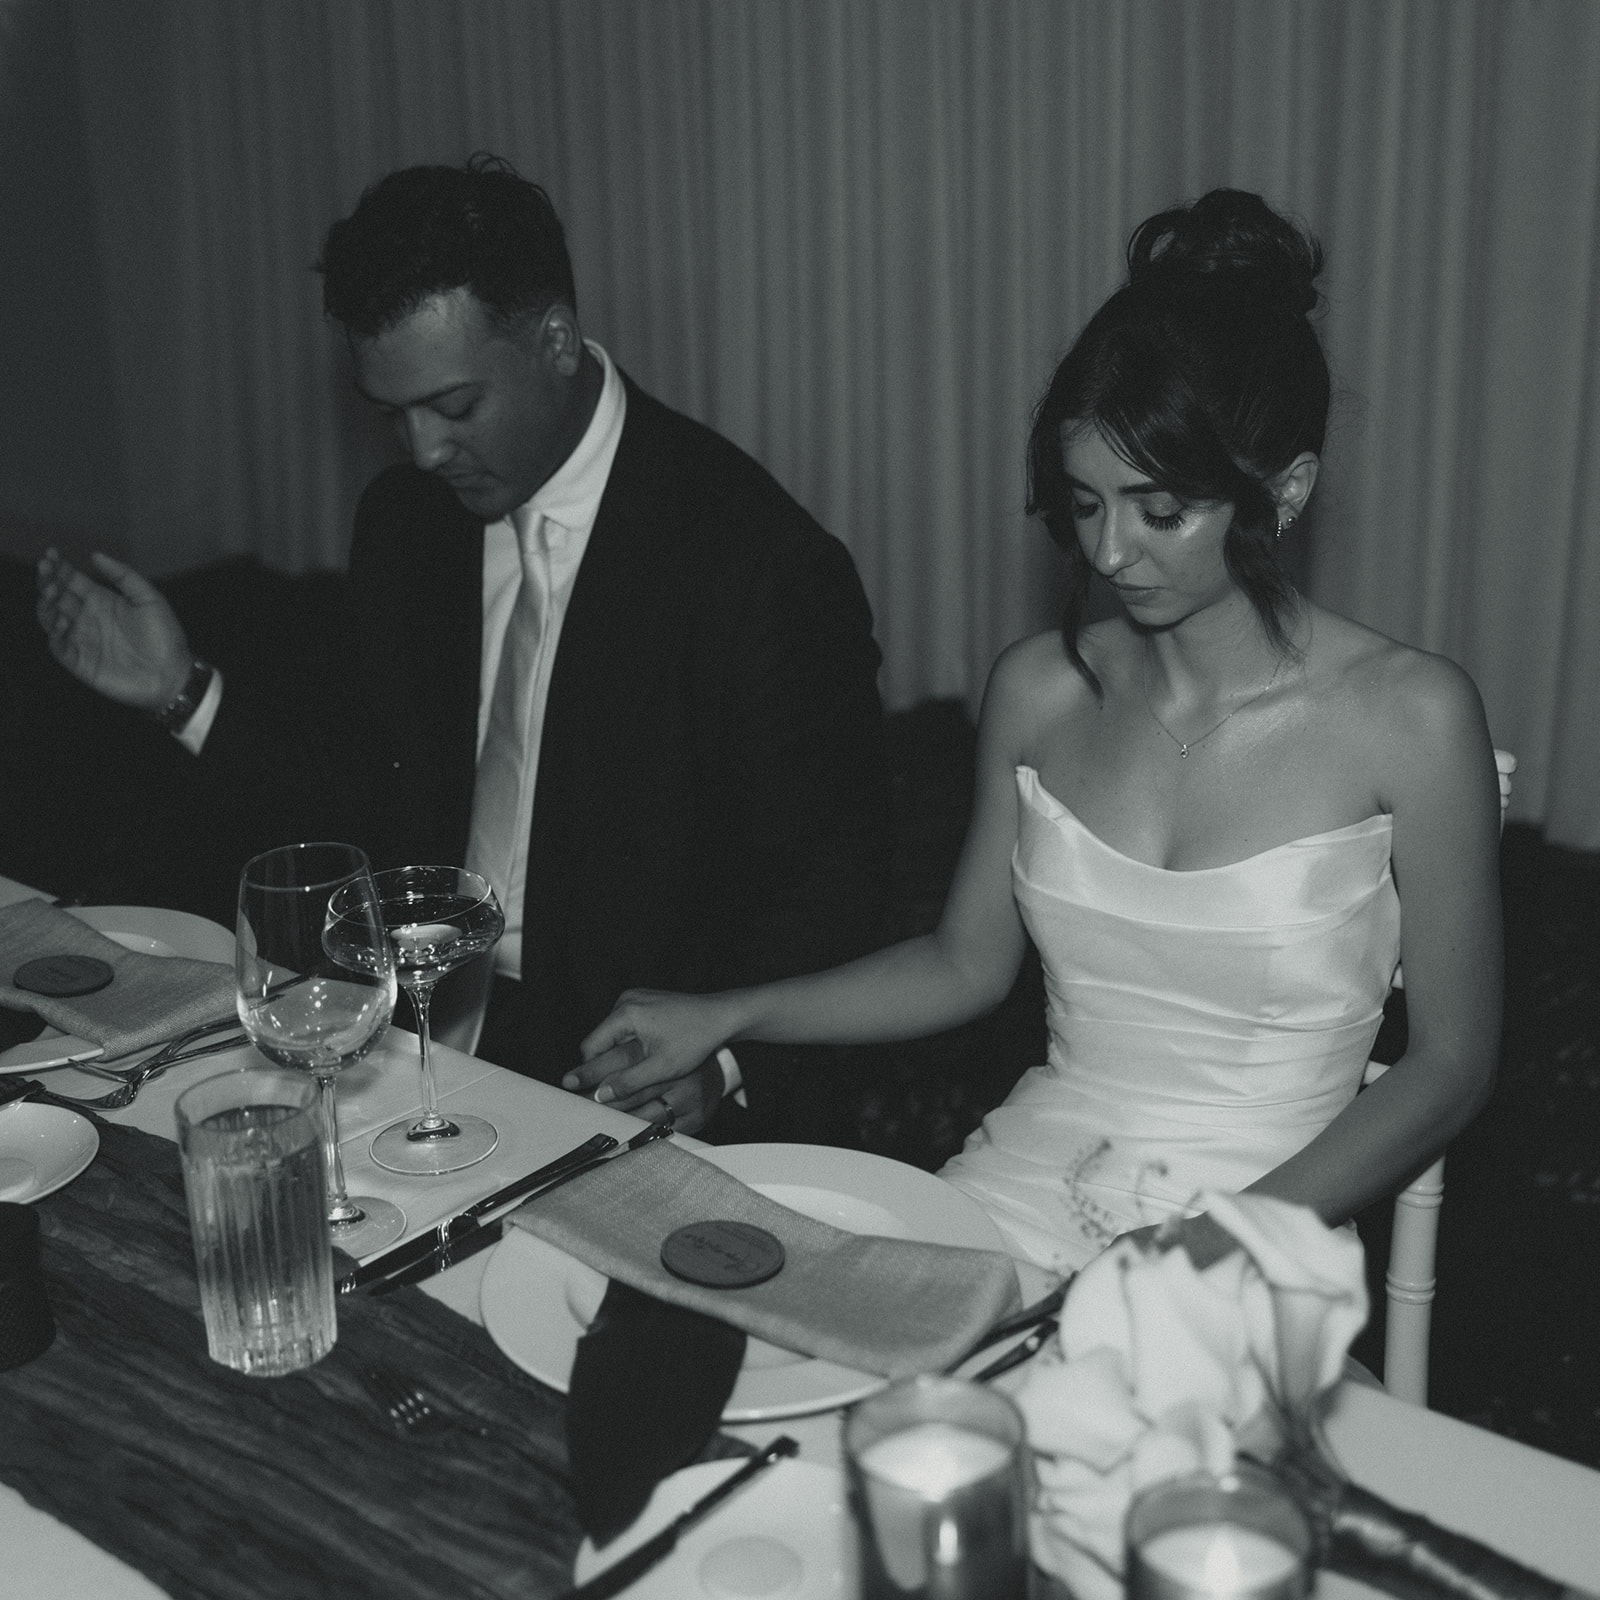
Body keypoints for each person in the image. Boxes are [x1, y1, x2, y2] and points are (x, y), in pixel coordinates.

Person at [567, 189, 1504, 1276]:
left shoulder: (1410, 714)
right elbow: (964, 964)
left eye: (1159, 511)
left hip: (1256, 1230)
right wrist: (728, 1011)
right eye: (1084, 503)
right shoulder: (1038, 690)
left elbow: (1449, 1066)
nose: (1109, 553)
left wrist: (1212, 1240)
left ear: (1284, 491)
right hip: (1019, 1184)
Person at [35, 155, 893, 1144]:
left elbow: (833, 876)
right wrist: (180, 692)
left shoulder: (751, 560)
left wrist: (731, 1054)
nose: (421, 451)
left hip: (621, 1064)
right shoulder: (409, 523)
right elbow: (367, 792)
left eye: (453, 407)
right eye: (389, 413)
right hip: (405, 1036)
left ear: (557, 342)